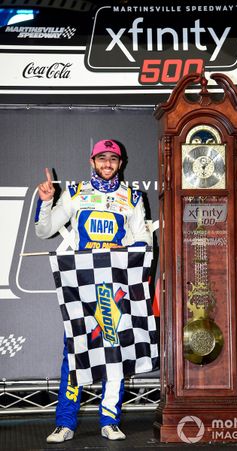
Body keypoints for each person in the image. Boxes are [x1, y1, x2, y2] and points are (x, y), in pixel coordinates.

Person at [35, 139, 152, 442]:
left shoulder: (133, 197)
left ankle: (109, 420)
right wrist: (47, 201)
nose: (108, 163)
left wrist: (124, 251)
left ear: (121, 163)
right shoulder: (76, 193)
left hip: (113, 287)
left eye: (113, 158)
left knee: (113, 351)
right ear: (92, 161)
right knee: (75, 352)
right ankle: (65, 423)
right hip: (81, 287)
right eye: (102, 158)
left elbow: (144, 241)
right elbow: (44, 230)